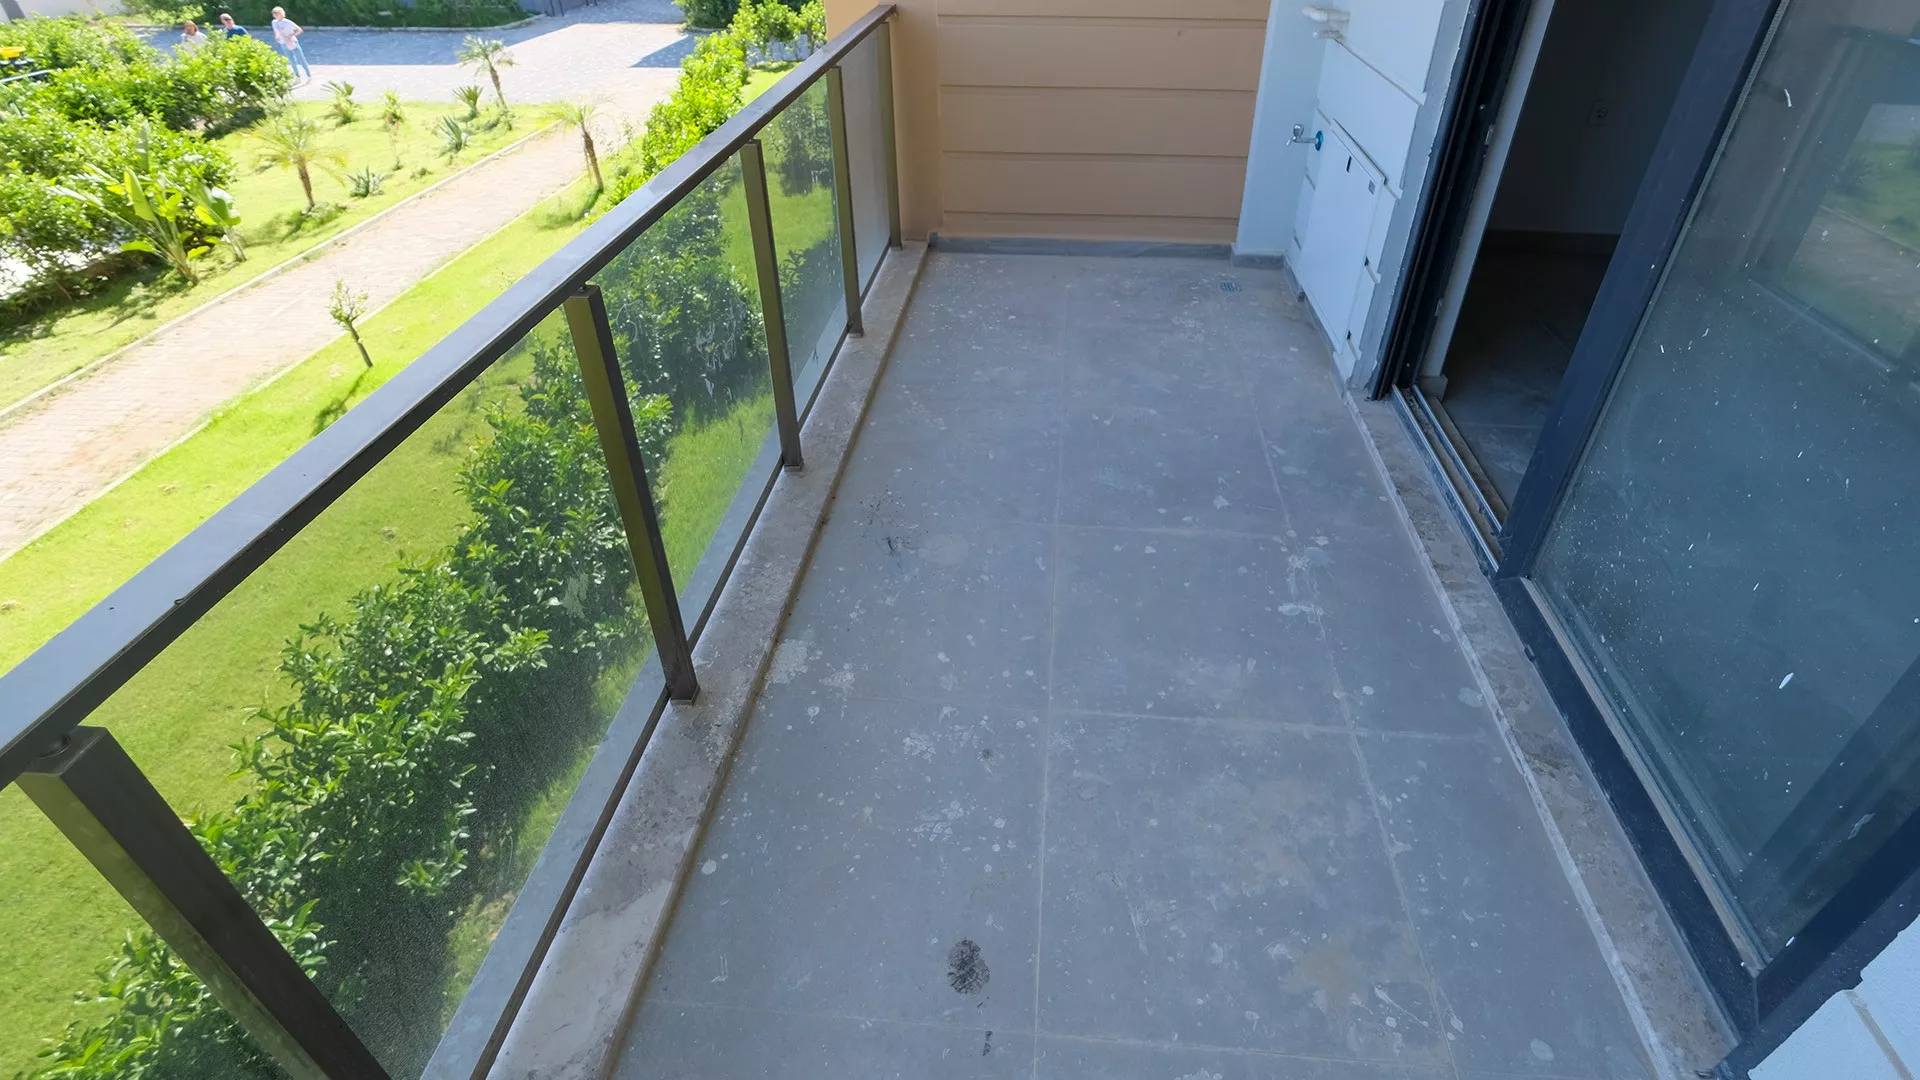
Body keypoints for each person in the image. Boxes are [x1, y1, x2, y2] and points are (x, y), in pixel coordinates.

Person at [270, 7, 312, 81]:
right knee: (291, 61)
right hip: (283, 43)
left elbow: (299, 30)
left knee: (301, 60)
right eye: (274, 13)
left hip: (292, 42)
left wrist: (291, 35)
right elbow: (275, 31)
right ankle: (297, 76)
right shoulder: (274, 22)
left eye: (277, 13)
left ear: (281, 13)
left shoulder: (287, 22)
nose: (275, 15)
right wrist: (277, 37)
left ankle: (309, 75)